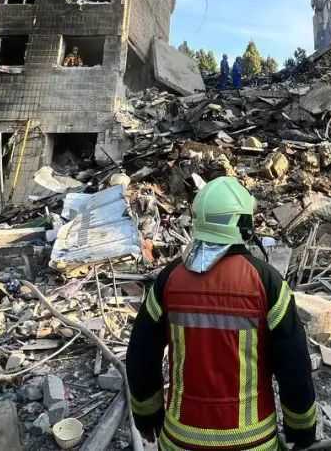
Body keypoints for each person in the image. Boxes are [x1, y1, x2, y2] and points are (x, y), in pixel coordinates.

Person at [126, 176, 317, 451]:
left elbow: (141, 355)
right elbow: (294, 364)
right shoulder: (266, 282)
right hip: (252, 442)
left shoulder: (170, 280)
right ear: (244, 223)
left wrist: (147, 415)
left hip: (181, 440)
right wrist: (302, 428)